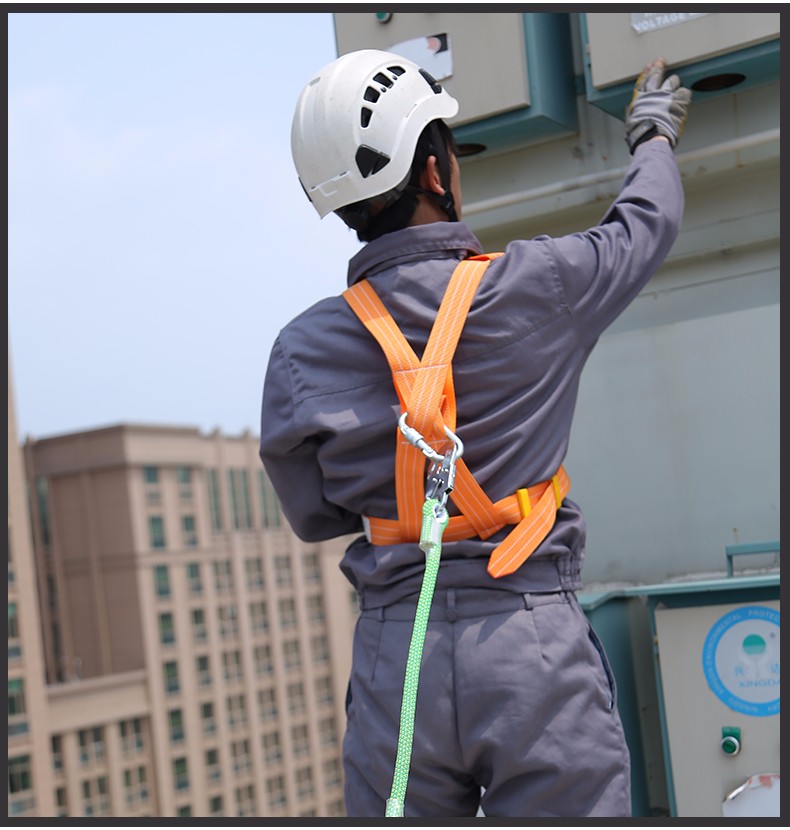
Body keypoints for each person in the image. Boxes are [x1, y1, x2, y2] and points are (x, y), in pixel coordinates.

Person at [260, 48, 691, 818]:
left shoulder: (300, 350)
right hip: (531, 653)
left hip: (398, 668)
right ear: (434, 171)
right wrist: (651, 133)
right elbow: (644, 225)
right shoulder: (539, 284)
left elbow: (315, 515)